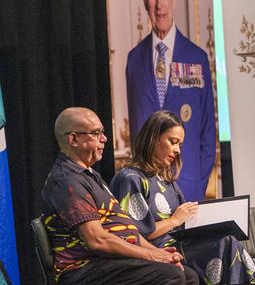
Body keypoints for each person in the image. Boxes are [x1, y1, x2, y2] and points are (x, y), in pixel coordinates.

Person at [41, 107, 199, 285]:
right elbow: (97, 240)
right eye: (96, 133)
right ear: (74, 139)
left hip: (107, 263)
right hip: (83, 269)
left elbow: (128, 231)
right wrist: (152, 255)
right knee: (170, 275)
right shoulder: (67, 180)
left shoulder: (90, 175)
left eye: (103, 132)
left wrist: (160, 254)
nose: (104, 138)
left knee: (188, 275)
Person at [111, 110, 255, 285]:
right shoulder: (131, 179)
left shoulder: (166, 180)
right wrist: (174, 220)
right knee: (224, 245)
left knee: (226, 240)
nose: (177, 150)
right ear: (153, 138)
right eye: (173, 142)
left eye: (180, 144)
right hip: (158, 251)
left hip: (183, 243)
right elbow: (133, 234)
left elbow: (184, 223)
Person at [126, 0, 216, 202]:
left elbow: (207, 131)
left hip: (188, 187)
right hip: (147, 189)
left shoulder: (196, 57)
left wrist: (198, 181)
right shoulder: (134, 60)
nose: (158, 3)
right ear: (145, 0)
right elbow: (136, 131)